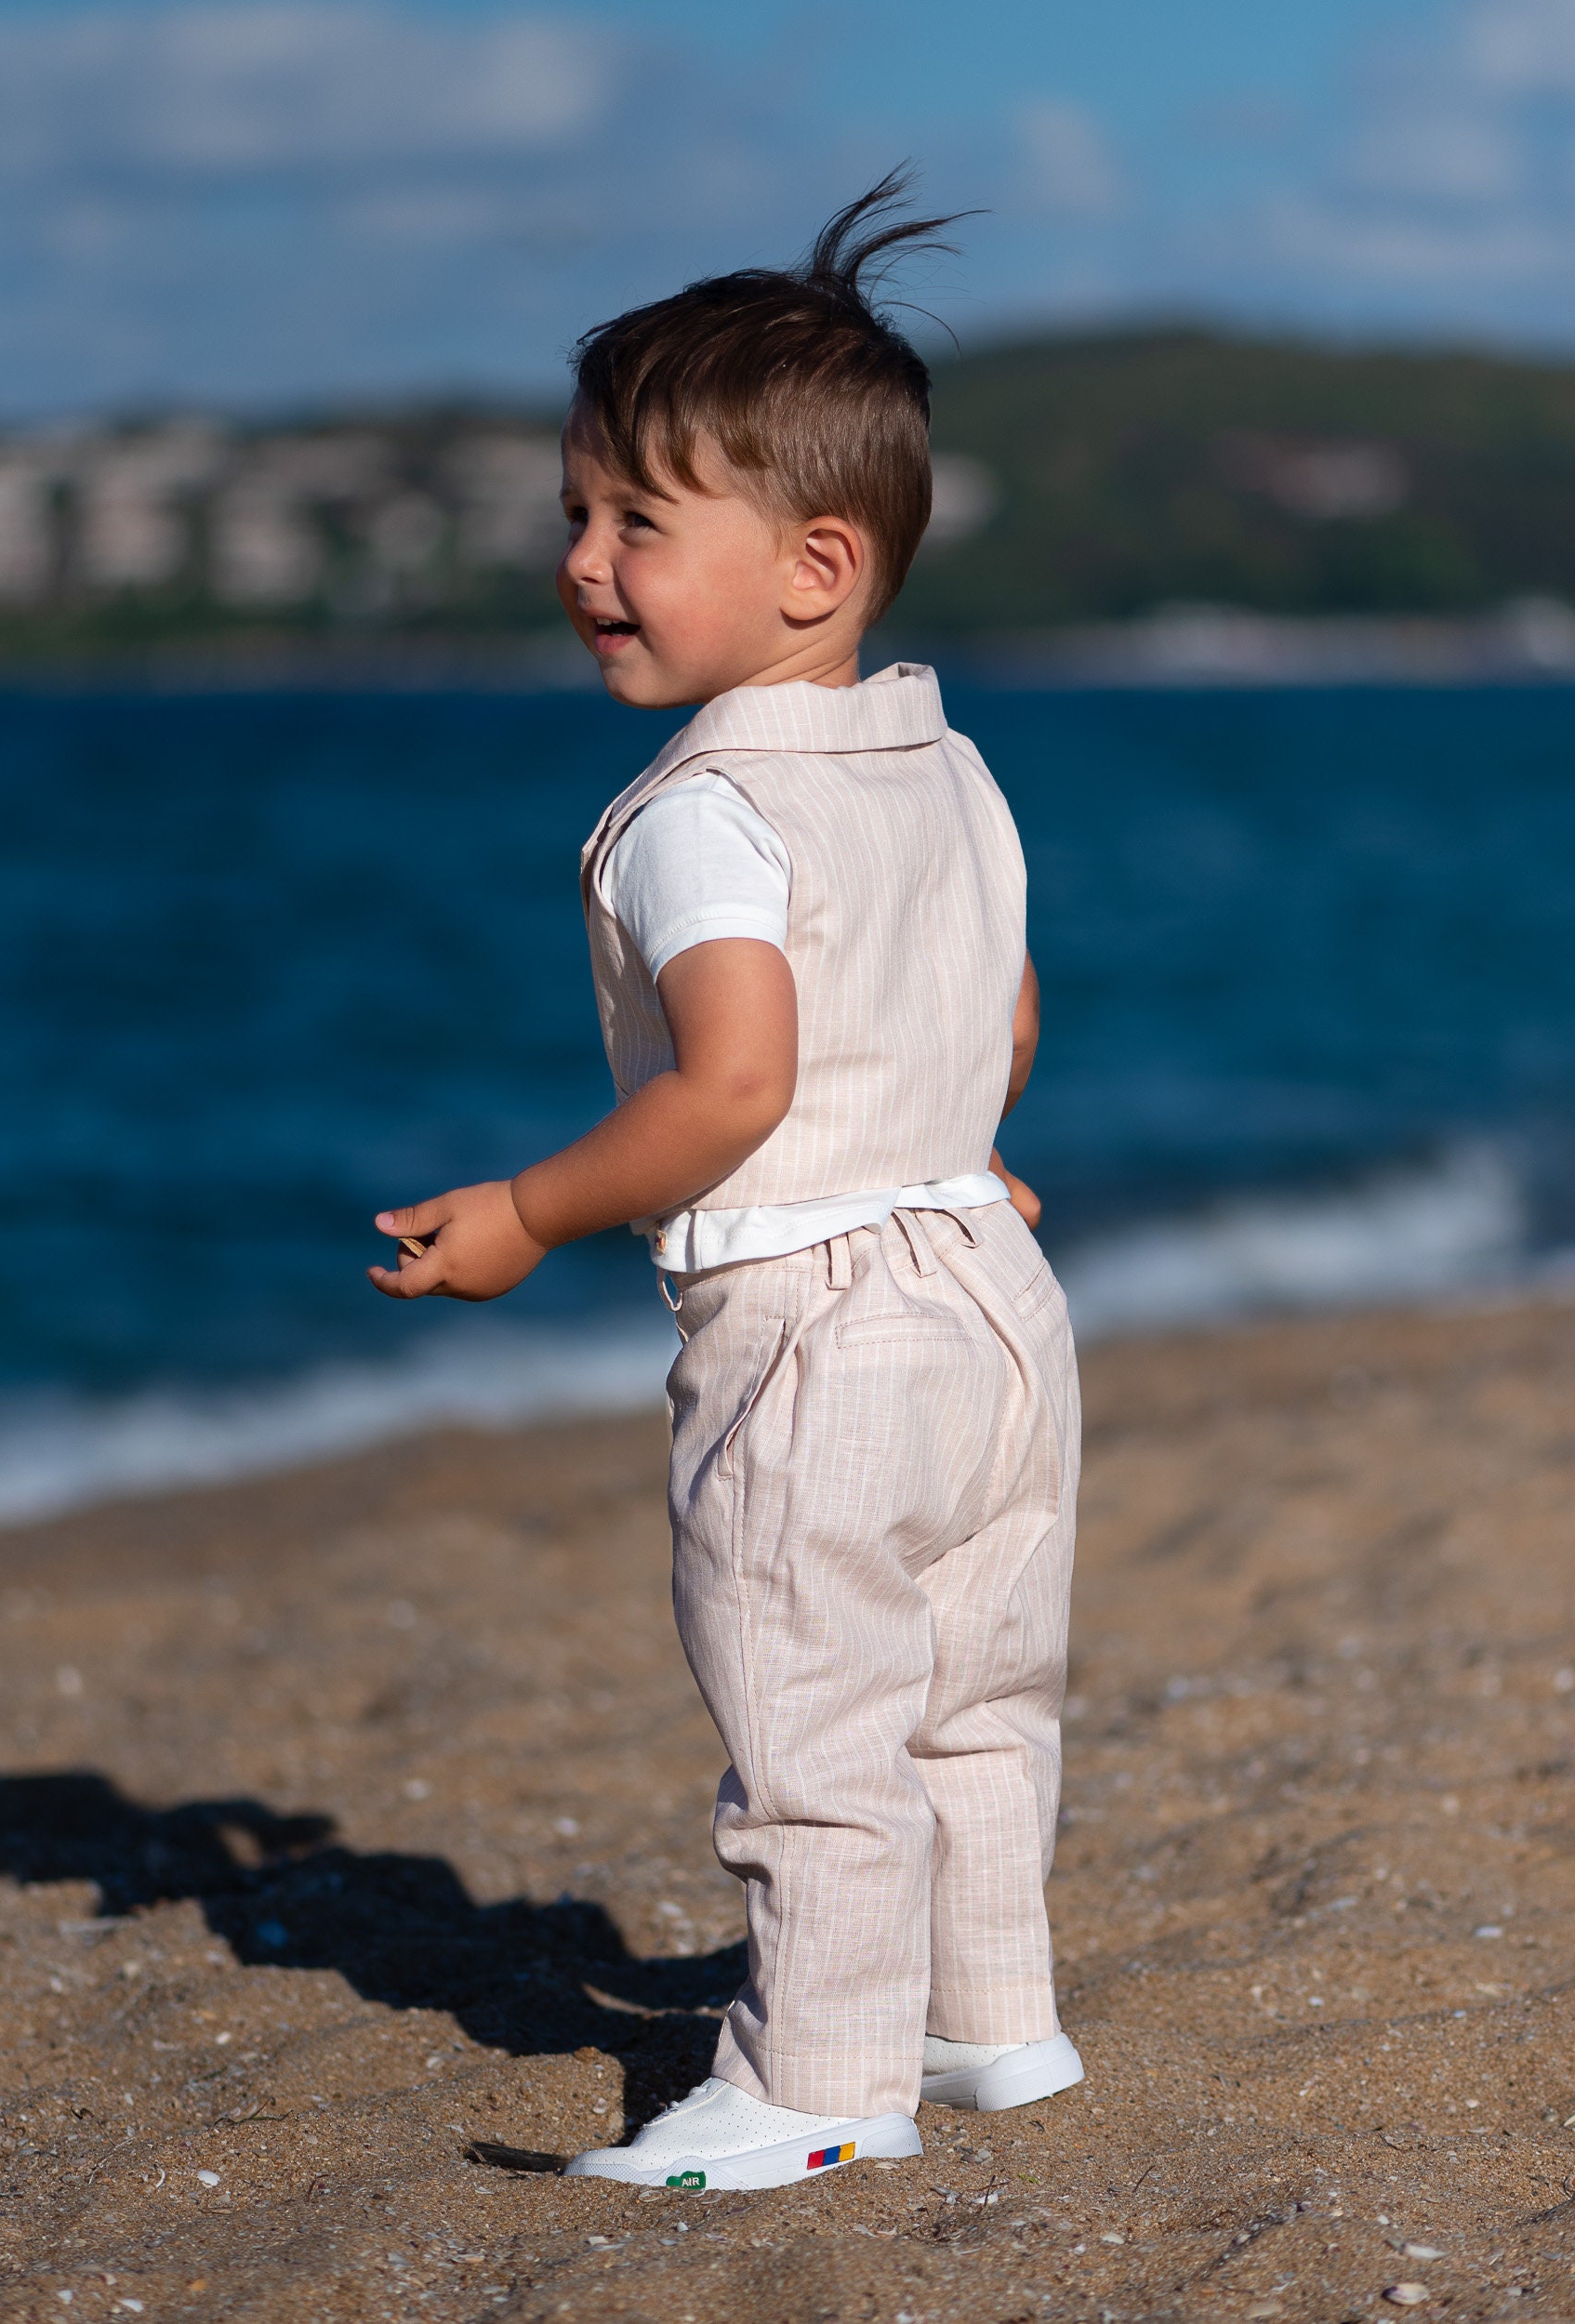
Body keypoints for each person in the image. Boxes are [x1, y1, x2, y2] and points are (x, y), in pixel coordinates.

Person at [368, 172, 1082, 2194]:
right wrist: (949, 1150)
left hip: (820, 1330)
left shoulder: (701, 808)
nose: (582, 562)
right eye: (577, 513)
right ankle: (986, 2018)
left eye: (635, 524)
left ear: (810, 563)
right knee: (975, 1688)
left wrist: (525, 1207)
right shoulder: (941, 761)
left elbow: (736, 1078)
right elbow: (997, 1006)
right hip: (992, 1293)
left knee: (814, 1717)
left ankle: (820, 2079)